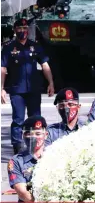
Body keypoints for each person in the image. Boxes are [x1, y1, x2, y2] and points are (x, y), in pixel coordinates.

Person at [1, 18, 54, 154]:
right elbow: (3, 69)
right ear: (14, 30)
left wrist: (51, 83)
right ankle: (17, 147)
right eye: (19, 28)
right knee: (18, 119)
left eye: (25, 29)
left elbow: (45, 65)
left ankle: (36, 145)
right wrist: (1, 89)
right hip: (17, 90)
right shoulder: (8, 48)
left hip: (34, 90)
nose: (22, 31)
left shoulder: (35, 46)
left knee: (35, 118)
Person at [7, 116, 48, 202]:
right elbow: (23, 193)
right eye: (28, 133)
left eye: (38, 134)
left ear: (46, 135)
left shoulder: (55, 156)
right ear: (23, 136)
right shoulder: (16, 161)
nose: (33, 137)